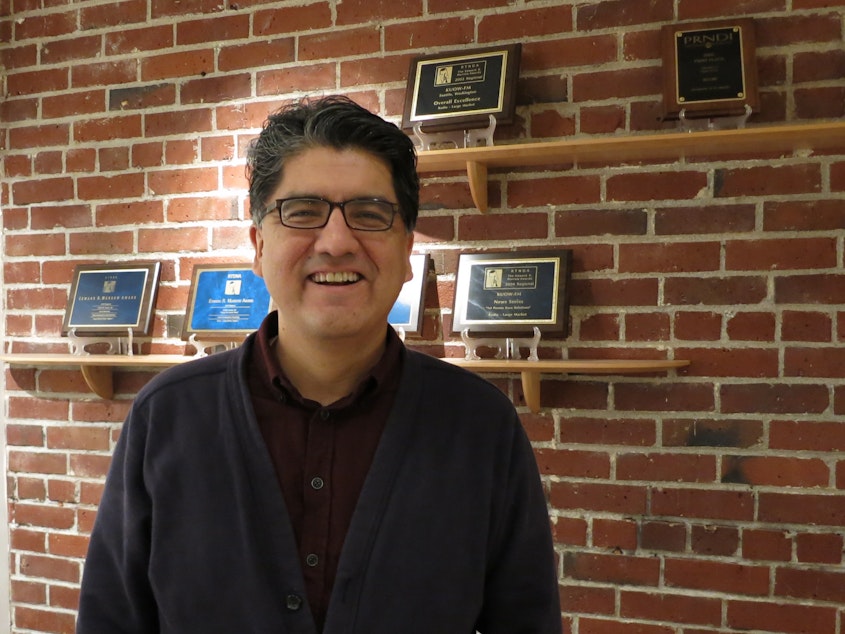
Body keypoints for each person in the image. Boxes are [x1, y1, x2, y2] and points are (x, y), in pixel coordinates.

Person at [76, 95, 561, 633]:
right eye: (302, 212)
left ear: (406, 252)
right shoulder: (167, 417)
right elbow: (111, 619)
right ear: (258, 247)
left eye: (370, 215)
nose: (335, 242)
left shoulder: (480, 426)